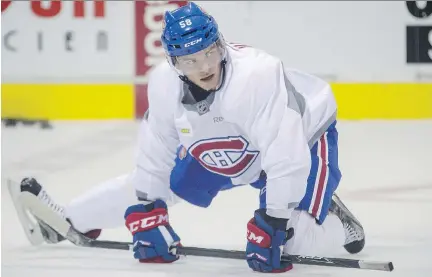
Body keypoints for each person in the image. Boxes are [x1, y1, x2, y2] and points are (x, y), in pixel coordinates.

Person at [20, 2, 365, 273]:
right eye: (190, 60)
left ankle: (340, 225)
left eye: (210, 53)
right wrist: (148, 208)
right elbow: (155, 153)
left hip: (303, 135)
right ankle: (68, 221)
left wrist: (274, 219)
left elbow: (285, 153)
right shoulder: (164, 84)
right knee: (152, 185)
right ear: (174, 63)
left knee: (292, 245)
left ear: (221, 44)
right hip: (232, 141)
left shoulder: (258, 76)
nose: (204, 67)